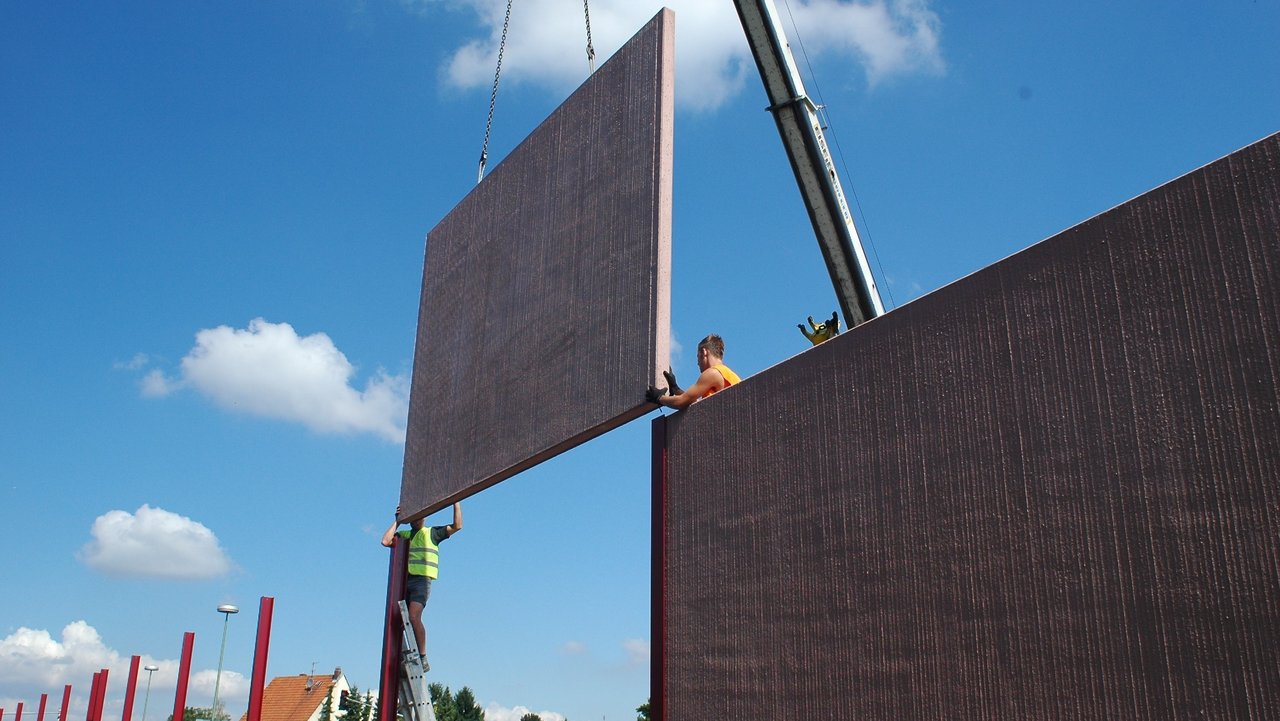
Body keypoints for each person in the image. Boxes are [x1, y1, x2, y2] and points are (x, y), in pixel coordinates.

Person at [382, 502, 462, 671]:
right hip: (405, 581)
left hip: (422, 581)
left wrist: (456, 502)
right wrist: (398, 521)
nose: (416, 520)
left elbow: (457, 526)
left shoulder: (432, 533)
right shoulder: (405, 534)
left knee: (413, 616)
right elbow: (385, 541)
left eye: (419, 517)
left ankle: (423, 656)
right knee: (399, 619)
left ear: (424, 518)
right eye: (412, 518)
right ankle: (402, 655)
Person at [646, 333, 741, 410]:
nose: (697, 363)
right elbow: (695, 404)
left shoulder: (712, 373)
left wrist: (659, 398)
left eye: (697, 357)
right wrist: (675, 388)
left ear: (704, 352)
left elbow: (681, 402)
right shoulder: (729, 375)